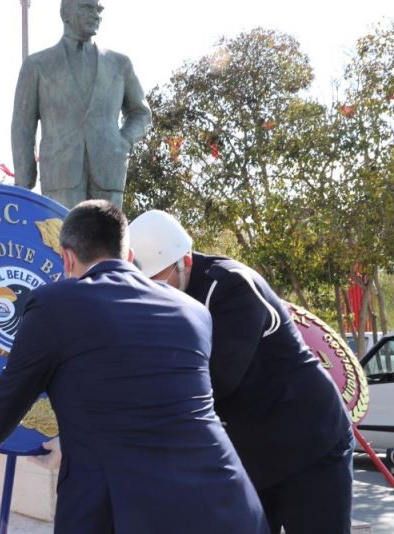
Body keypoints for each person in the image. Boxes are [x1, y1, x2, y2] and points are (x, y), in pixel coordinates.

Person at [0, 200, 269, 534]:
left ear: (67, 258)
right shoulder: (191, 310)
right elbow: (152, 401)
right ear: (129, 256)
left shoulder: (54, 304)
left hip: (126, 512)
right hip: (227, 501)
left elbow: (2, 414)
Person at [129, 209, 354, 534]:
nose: (152, 293)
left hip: (309, 442)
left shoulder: (232, 286)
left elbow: (217, 379)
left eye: (157, 280)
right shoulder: (158, 306)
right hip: (252, 454)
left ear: (186, 261)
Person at [11, 0, 152, 210]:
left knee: (108, 242)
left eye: (98, 9)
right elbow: (22, 126)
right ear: (65, 13)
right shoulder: (37, 65)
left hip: (109, 170)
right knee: (60, 241)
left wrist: (123, 141)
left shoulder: (120, 64)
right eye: (87, 8)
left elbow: (140, 113)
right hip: (60, 175)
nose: (95, 14)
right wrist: (23, 181)